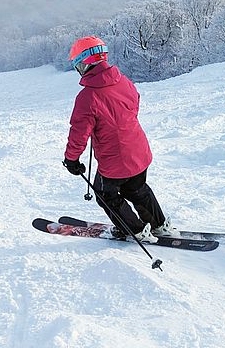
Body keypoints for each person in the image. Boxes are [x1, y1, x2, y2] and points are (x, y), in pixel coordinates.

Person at [63, 36, 177, 243]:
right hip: (139, 149)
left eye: (78, 65)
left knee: (106, 195)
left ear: (85, 62)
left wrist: (71, 159)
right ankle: (159, 225)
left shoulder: (87, 97)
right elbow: (134, 105)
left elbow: (79, 132)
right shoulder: (123, 80)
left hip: (115, 160)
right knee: (137, 189)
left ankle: (134, 230)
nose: (78, 70)